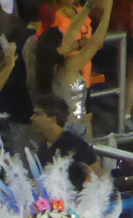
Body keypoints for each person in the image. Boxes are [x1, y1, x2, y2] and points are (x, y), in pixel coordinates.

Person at [34, 0, 114, 138]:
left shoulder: (43, 66)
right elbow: (97, 42)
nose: (71, 39)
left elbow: (71, 33)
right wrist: (108, 10)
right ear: (59, 48)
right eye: (64, 38)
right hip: (73, 128)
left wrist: (88, 6)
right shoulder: (69, 66)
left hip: (62, 126)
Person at [31, 93, 103, 189]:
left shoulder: (76, 144)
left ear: (52, 118)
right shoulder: (43, 146)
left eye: (37, 114)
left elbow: (99, 178)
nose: (32, 118)